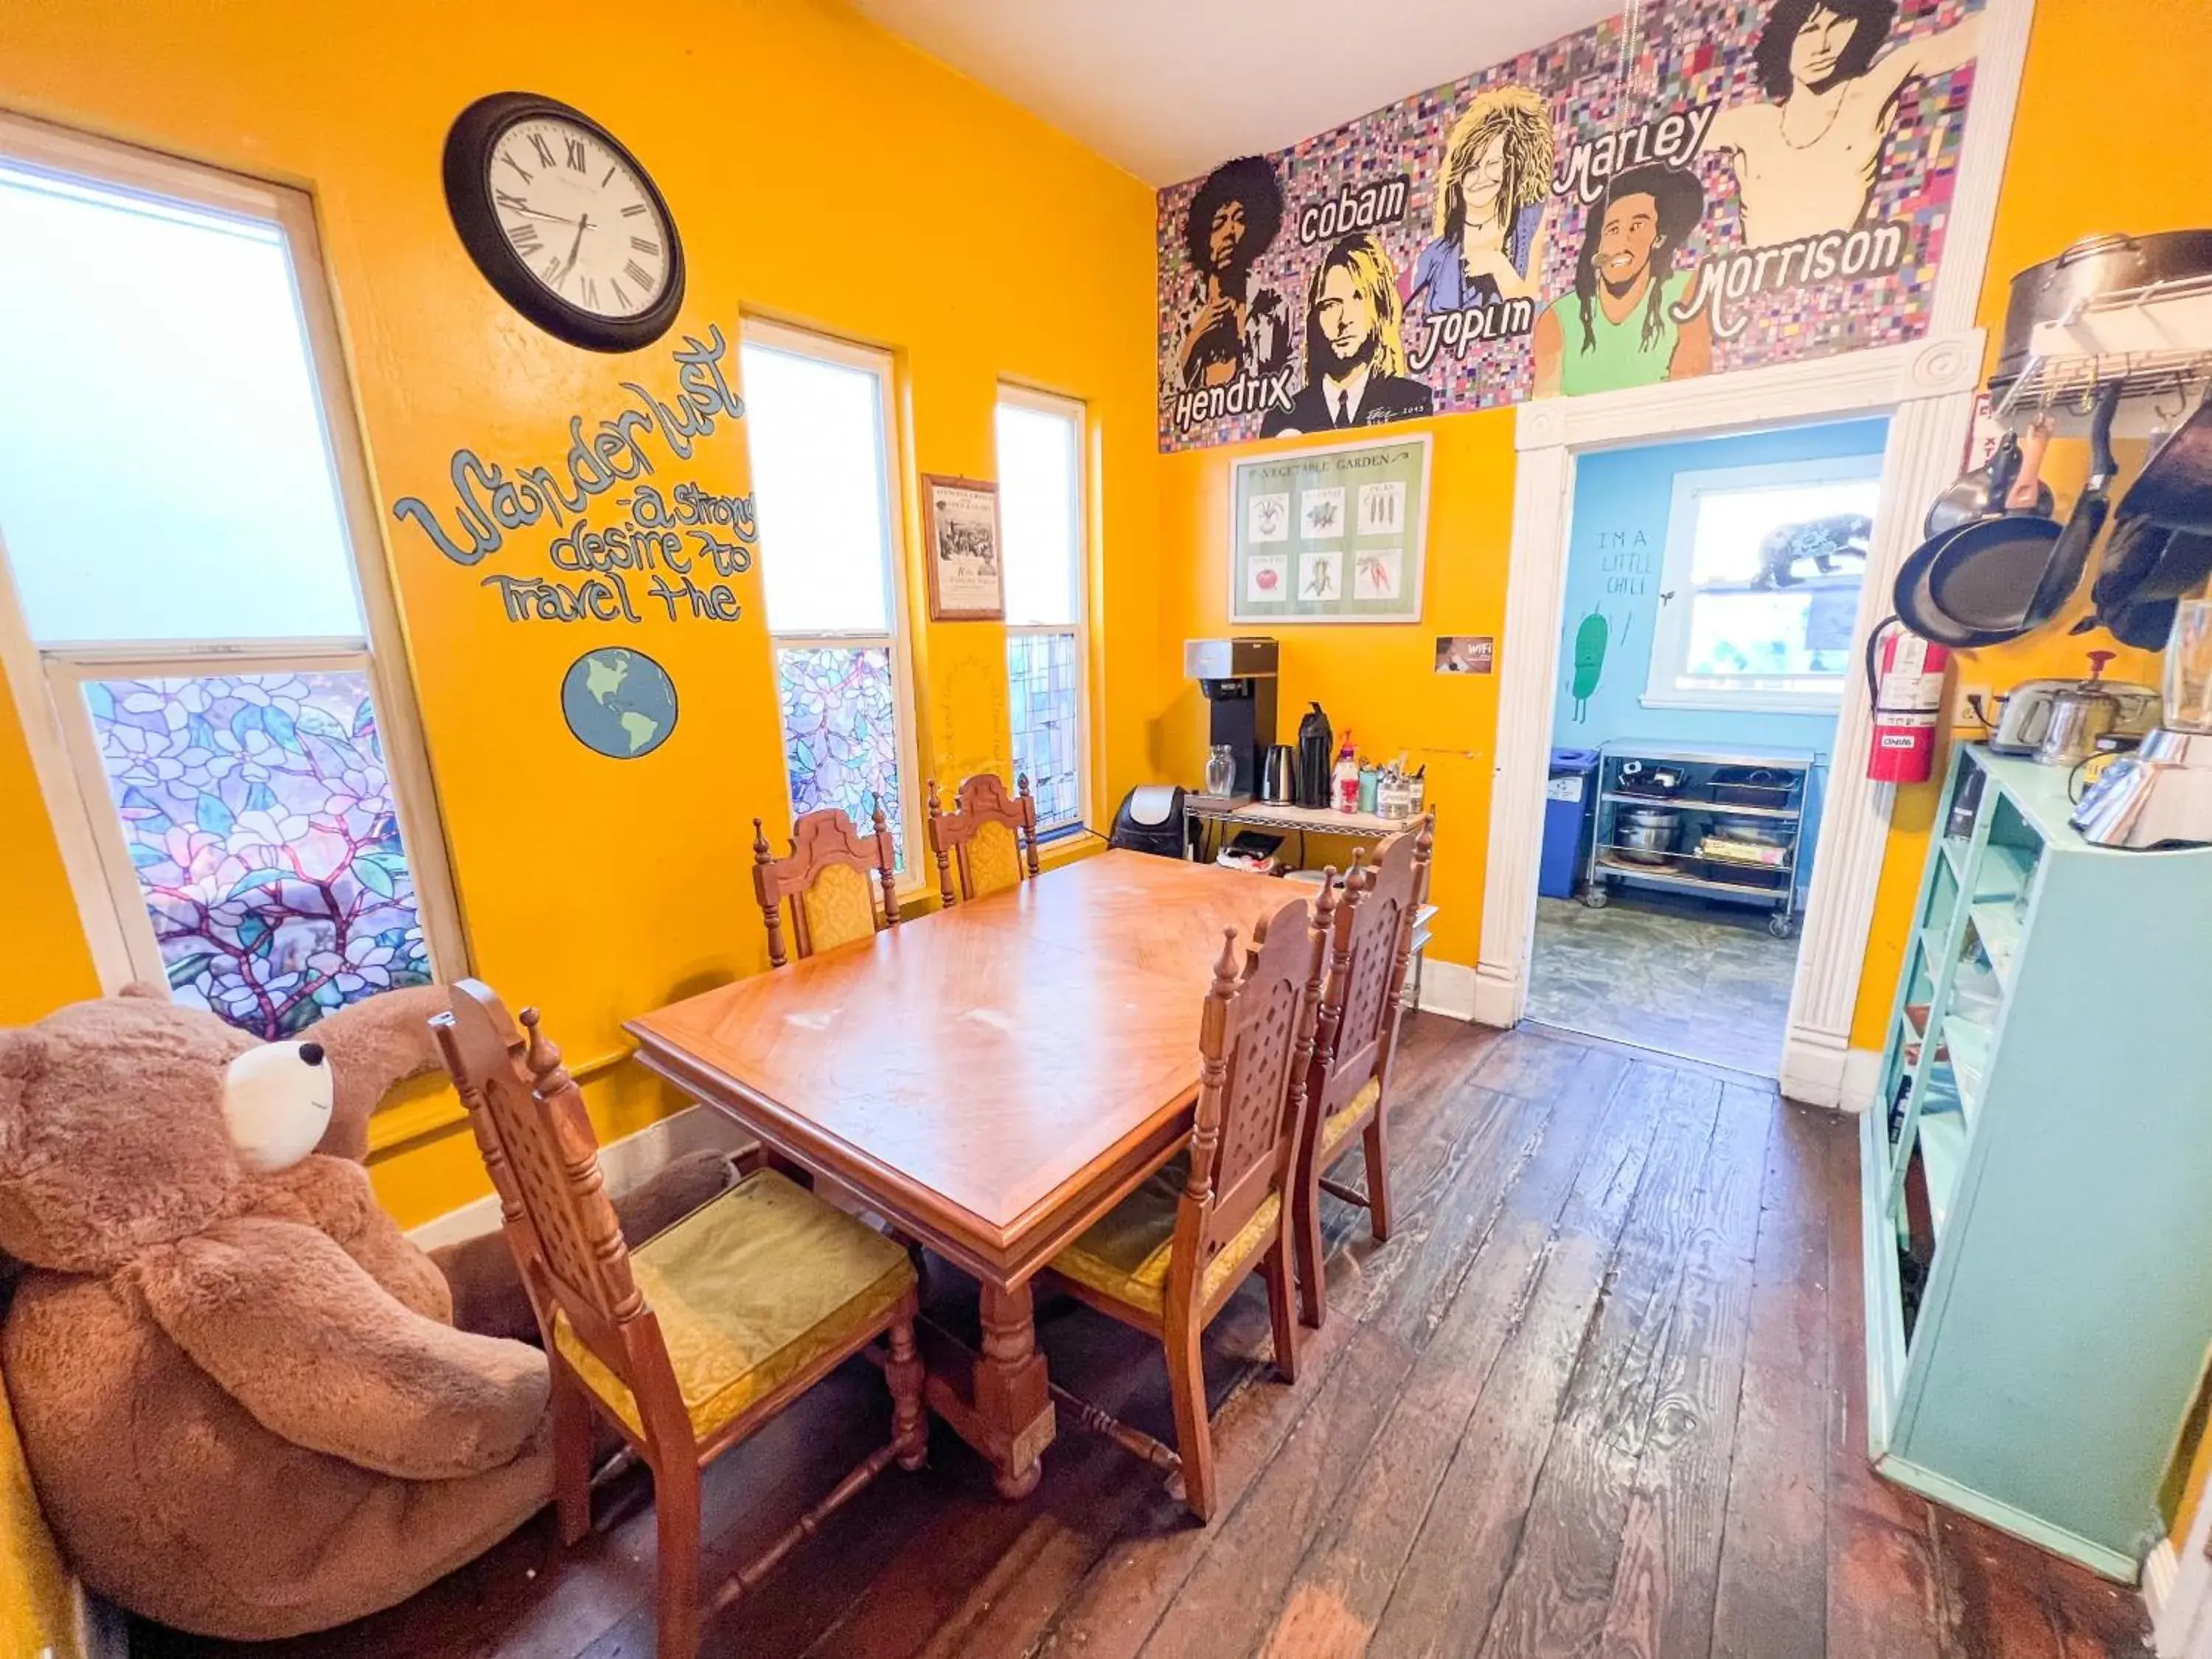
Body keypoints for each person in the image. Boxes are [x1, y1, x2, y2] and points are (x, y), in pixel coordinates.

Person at [1705, 0, 1980, 248]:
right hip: (1758, 287)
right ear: (1786, 40)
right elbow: (1672, 138)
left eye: (1840, 25)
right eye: (1810, 30)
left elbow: (1964, 40)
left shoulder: (1866, 95)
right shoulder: (1754, 125)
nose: (1824, 45)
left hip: (1834, 274)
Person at [1532, 164, 1711, 397]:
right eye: (1612, 230)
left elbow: (1689, 397)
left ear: (1658, 238)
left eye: (1637, 226)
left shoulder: (1686, 292)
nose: (1621, 243)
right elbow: (1544, 414)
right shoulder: (1559, 319)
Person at [1262, 234, 1435, 437]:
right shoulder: (1282, 419)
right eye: (1331, 305)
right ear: (1315, 318)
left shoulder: (1413, 402)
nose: (1343, 320)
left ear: (1380, 308)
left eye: (1357, 298)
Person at [1405, 84, 1556, 315]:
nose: (1481, 178)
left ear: (1509, 166)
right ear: (1457, 175)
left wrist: (1498, 267)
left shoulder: (1529, 222)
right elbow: (1391, 300)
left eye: (1493, 164)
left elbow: (1536, 313)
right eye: (1472, 168)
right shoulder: (1439, 251)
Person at [1175, 155, 1286, 392]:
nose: (1229, 232)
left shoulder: (1274, 308)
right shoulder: (1187, 322)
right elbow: (1168, 398)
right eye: (1218, 224)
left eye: (1240, 219)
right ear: (1204, 238)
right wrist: (1193, 340)